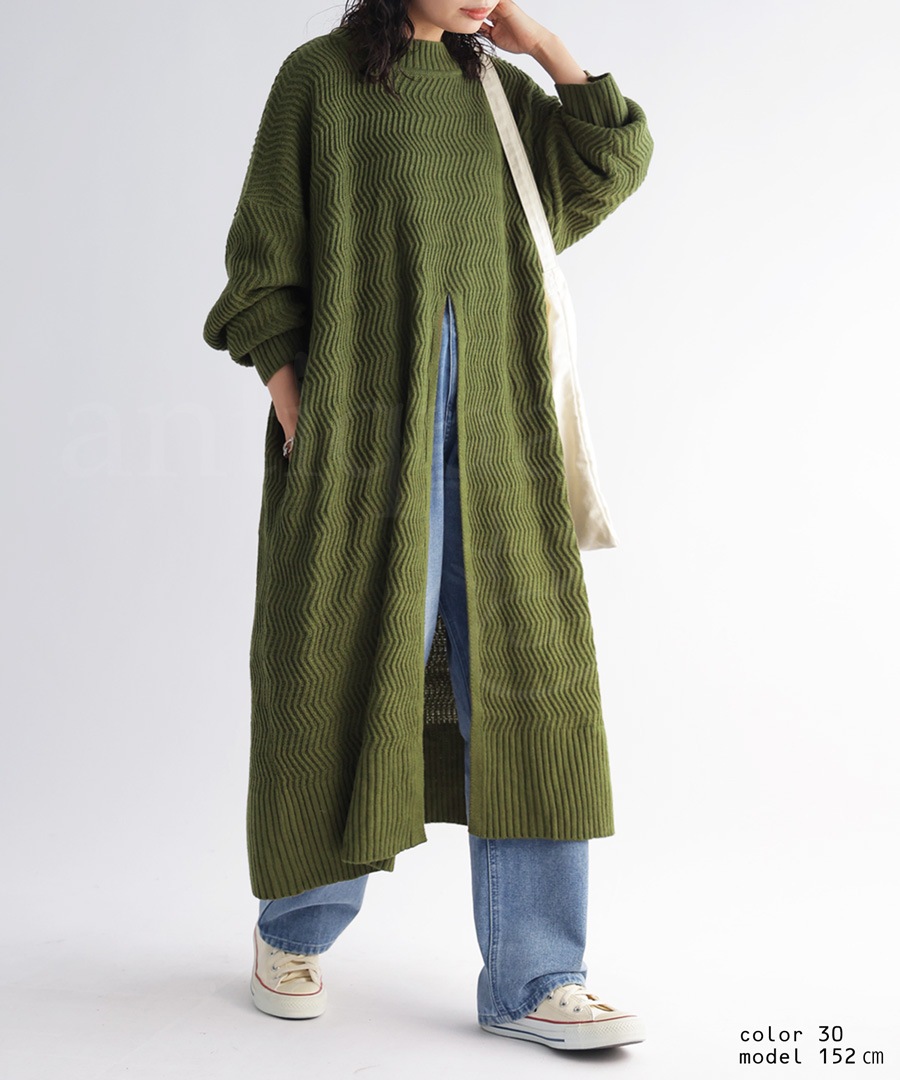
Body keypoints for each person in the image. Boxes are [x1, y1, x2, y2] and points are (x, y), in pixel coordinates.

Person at [202, 0, 653, 1052]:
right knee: (337, 671)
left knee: (533, 689)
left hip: (502, 454)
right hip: (359, 459)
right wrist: (301, 414)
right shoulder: (319, 82)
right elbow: (261, 266)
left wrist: (546, 49)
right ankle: (292, 932)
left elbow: (609, 162)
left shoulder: (496, 91)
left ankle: (539, 977)